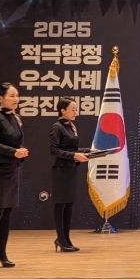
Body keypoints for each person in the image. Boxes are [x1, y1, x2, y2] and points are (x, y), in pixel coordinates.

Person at [0, 82, 29, 270]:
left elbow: (15, 142)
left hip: (12, 168)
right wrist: (13, 152)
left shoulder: (15, 117)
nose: (15, 99)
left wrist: (20, 152)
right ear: (0, 98)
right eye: (11, 95)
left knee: (7, 212)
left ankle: (1, 252)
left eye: (17, 95)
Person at [49, 97, 90, 252]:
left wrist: (88, 151)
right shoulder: (57, 127)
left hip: (71, 169)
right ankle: (61, 238)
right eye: (72, 109)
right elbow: (54, 151)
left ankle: (66, 239)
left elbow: (72, 149)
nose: (75, 112)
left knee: (69, 204)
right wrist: (74, 155)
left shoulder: (71, 126)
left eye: (76, 109)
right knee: (60, 204)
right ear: (62, 110)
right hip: (60, 171)